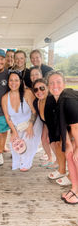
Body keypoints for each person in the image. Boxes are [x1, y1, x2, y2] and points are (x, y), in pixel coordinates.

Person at [46, 71, 78, 204]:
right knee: (69, 153)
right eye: (51, 83)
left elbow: (76, 128)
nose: (55, 85)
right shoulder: (56, 101)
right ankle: (75, 188)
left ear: (64, 84)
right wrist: (70, 148)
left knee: (77, 156)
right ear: (48, 87)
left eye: (58, 82)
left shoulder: (68, 100)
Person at [2, 71, 42, 171]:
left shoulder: (27, 93)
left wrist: (30, 126)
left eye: (16, 80)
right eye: (11, 80)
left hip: (32, 122)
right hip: (18, 126)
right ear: (8, 82)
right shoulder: (4, 98)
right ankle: (18, 161)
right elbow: (7, 117)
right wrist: (14, 132)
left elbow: (34, 112)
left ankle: (27, 163)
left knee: (27, 139)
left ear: (20, 81)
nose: (13, 83)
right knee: (13, 143)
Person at [30, 68, 57, 167]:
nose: (39, 91)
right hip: (46, 122)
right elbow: (35, 114)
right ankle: (50, 158)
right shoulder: (36, 102)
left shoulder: (52, 101)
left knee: (53, 141)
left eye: (42, 88)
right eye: (36, 89)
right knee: (43, 138)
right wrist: (30, 125)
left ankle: (59, 161)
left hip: (55, 124)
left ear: (47, 88)